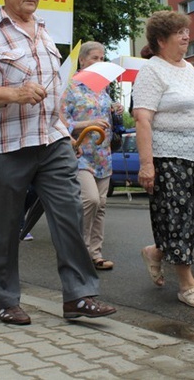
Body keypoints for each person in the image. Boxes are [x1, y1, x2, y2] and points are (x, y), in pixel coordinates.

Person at [0, 0, 116, 325]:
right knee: (3, 226)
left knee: (70, 213)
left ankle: (78, 296)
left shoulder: (44, 31)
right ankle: (6, 299)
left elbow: (52, 90)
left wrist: (68, 125)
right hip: (6, 146)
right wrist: (14, 94)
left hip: (52, 141)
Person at [132, 11, 194, 309]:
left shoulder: (189, 69)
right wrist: (146, 164)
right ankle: (186, 284)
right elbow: (142, 119)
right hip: (167, 156)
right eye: (178, 32)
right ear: (160, 40)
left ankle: (157, 251)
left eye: (185, 30)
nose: (185, 36)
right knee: (178, 218)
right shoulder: (151, 72)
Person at [61, 41, 122, 270]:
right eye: (95, 58)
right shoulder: (70, 86)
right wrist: (88, 123)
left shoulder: (102, 87)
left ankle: (96, 253)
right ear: (83, 60)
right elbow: (61, 122)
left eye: (102, 58)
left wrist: (115, 108)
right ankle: (79, 251)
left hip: (102, 154)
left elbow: (104, 111)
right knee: (90, 200)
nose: (99, 62)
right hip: (79, 152)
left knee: (102, 204)